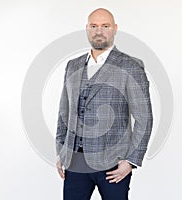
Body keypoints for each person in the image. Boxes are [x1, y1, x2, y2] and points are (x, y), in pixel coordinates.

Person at [55, 8, 153, 200]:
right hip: (75, 162)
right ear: (87, 29)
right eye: (94, 26)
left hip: (113, 165)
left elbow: (144, 118)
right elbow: (64, 112)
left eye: (105, 26)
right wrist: (61, 151)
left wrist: (131, 161)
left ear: (115, 29)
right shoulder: (72, 65)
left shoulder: (130, 65)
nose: (99, 31)